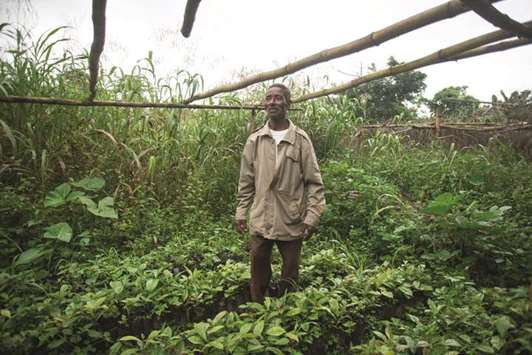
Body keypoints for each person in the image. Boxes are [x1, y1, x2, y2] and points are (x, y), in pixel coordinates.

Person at [235, 83, 326, 303]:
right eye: (268, 98)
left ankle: (287, 310)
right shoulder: (255, 140)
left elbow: (314, 183)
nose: (272, 102)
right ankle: (258, 308)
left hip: (291, 218)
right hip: (261, 216)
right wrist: (240, 212)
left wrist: (312, 217)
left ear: (288, 103)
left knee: (290, 271)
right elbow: (246, 181)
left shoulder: (301, 140)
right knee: (258, 265)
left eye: (277, 98)